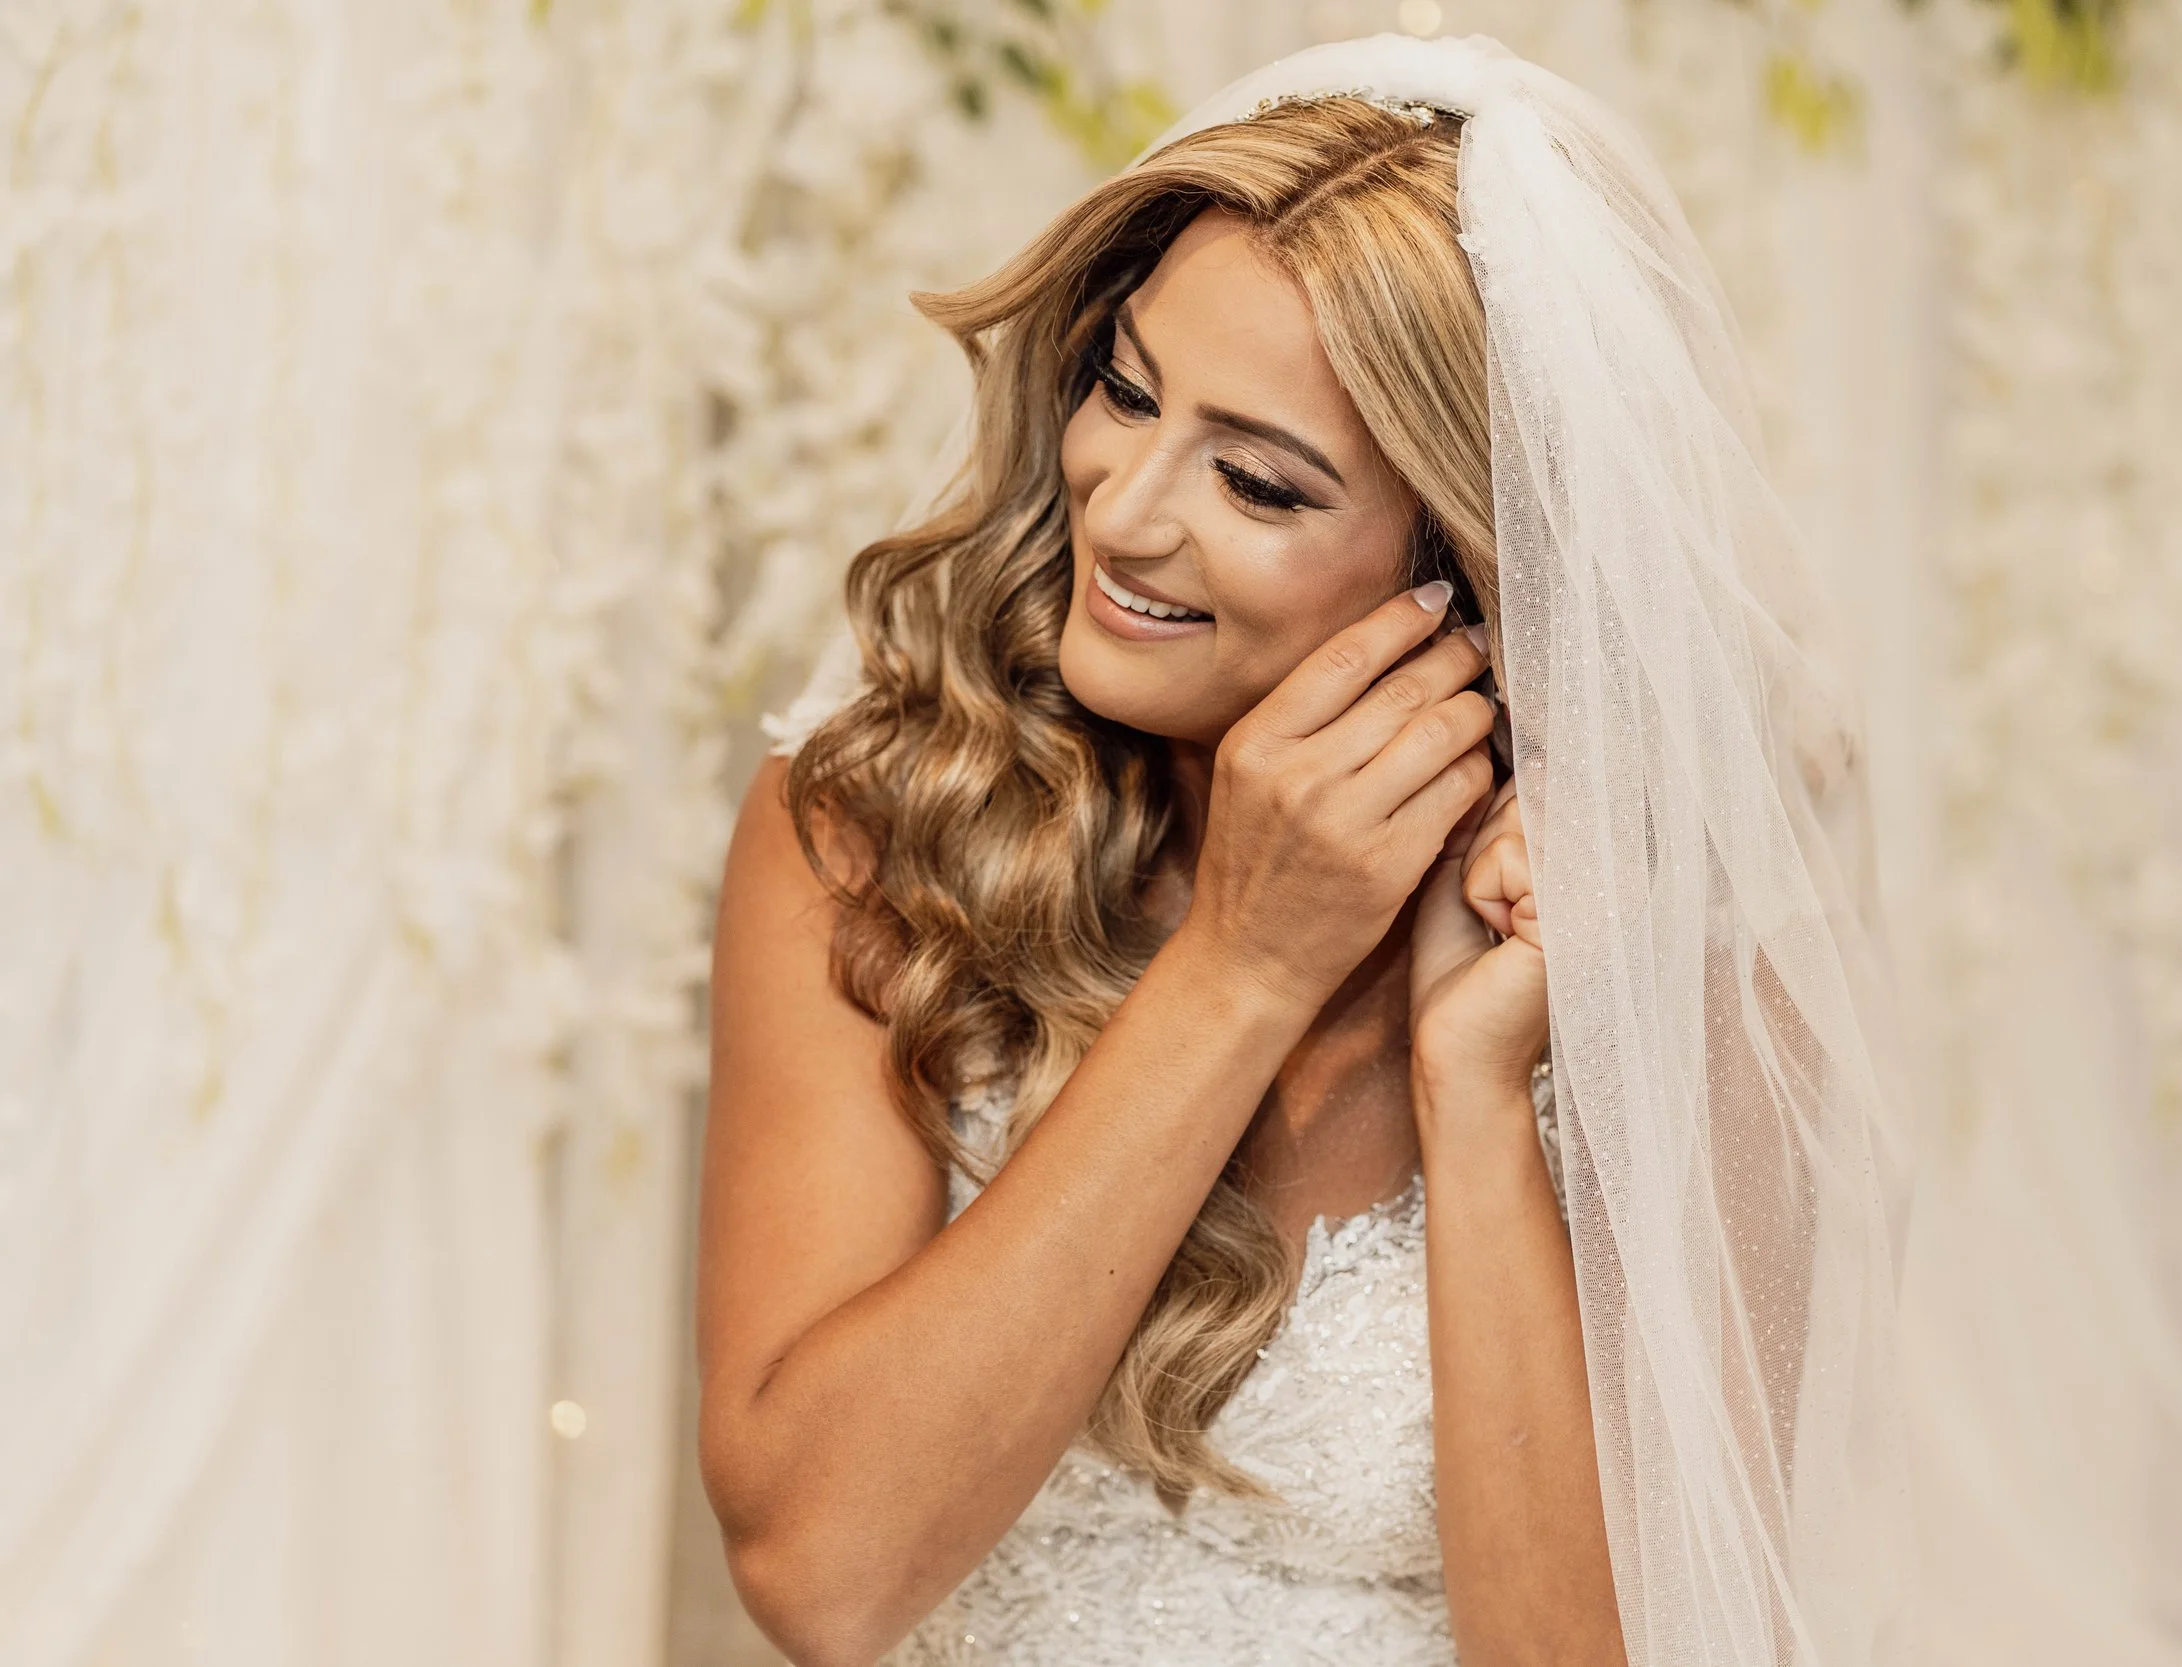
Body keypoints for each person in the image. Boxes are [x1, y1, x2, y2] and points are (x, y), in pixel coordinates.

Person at [699, 34, 1908, 1667]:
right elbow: (819, 1572)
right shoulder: (880, 826)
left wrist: (1474, 1088)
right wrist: (1239, 970)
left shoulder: (1692, 989)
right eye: (1126, 389)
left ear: (1477, 574)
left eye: (1258, 482)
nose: (1123, 510)